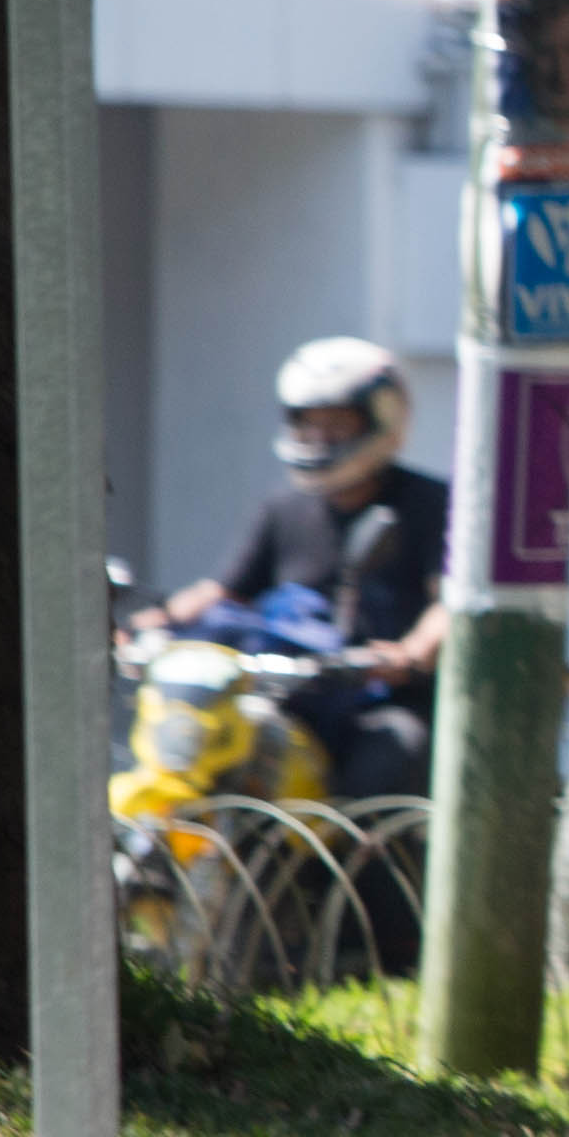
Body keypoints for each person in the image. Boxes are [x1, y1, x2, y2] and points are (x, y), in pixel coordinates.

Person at [144, 336, 451, 803]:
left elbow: (448, 604)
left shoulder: (429, 504)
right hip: (294, 699)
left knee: (384, 768)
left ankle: (359, 873)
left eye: (337, 425)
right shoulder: (283, 508)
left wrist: (408, 654)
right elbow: (226, 592)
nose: (319, 438)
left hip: (383, 700)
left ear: (383, 419)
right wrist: (153, 622)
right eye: (308, 424)